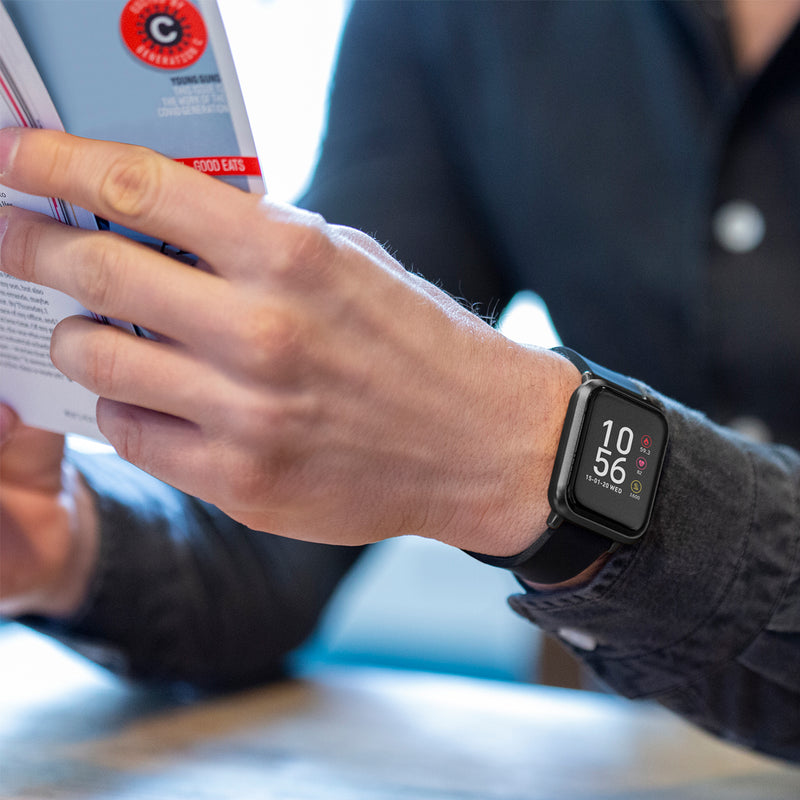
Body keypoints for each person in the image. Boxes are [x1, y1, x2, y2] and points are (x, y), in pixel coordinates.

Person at [1, 0, 799, 761]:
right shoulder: (456, 19)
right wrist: (62, 539)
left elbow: (502, 448)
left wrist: (527, 450)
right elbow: (276, 540)